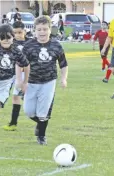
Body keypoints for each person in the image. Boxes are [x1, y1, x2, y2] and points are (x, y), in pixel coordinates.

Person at [22, 16, 68, 145]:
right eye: (39, 29)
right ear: (34, 30)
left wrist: (64, 79)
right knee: (29, 111)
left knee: (43, 112)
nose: (42, 32)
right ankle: (41, 124)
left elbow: (63, 64)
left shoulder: (56, 45)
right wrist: (22, 81)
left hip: (49, 81)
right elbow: (21, 65)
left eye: (45, 29)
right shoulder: (29, 46)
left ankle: (41, 136)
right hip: (31, 82)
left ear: (50, 29)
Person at [3, 21, 30, 131]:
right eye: (15, 32)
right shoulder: (10, 43)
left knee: (20, 96)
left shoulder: (30, 43)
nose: (18, 34)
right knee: (15, 97)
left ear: (24, 31)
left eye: (20, 32)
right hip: (13, 73)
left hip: (25, 73)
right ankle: (13, 123)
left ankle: (14, 123)